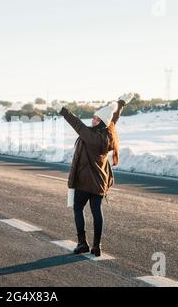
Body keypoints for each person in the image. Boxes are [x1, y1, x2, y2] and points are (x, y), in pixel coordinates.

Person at [55, 93, 134, 256]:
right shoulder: (108, 134)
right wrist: (121, 104)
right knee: (97, 211)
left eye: (97, 119)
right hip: (100, 182)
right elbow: (113, 119)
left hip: (84, 181)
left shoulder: (90, 136)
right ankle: (97, 246)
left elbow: (76, 123)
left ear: (102, 123)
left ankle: (82, 243)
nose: (93, 120)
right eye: (93, 117)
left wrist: (62, 110)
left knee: (78, 208)